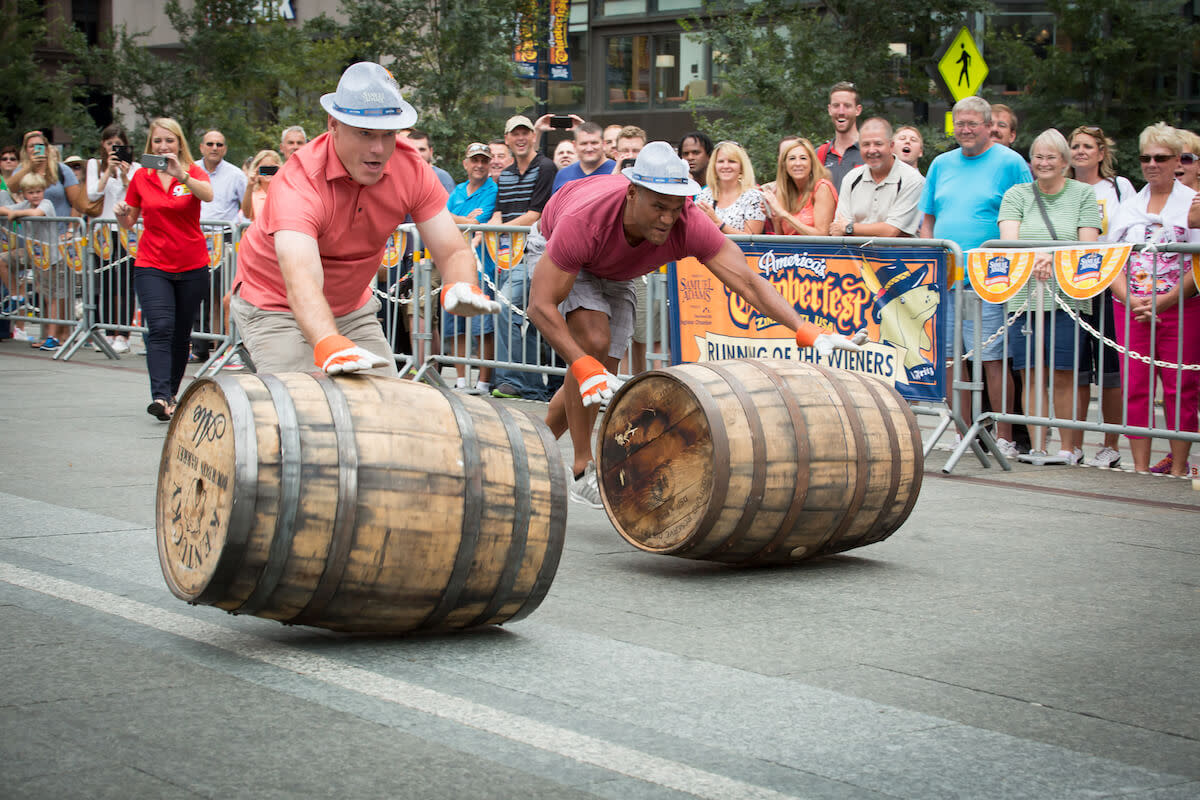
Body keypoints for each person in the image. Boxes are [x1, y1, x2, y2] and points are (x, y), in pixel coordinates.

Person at [522, 142, 863, 507]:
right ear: (632, 193)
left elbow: (747, 281)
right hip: (556, 245)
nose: (667, 219)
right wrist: (581, 360)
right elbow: (541, 306)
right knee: (593, 342)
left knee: (597, 378)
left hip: (615, 268)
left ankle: (526, 455)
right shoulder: (585, 220)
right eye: (658, 206)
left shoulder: (688, 222)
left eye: (674, 207)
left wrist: (805, 330)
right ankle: (581, 467)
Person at [228, 62, 496, 380]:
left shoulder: (410, 167)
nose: (378, 149)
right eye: (365, 133)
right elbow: (301, 279)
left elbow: (452, 250)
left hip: (352, 306)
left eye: (388, 134)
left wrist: (462, 284)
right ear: (334, 124)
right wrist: (328, 342)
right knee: (305, 403)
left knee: (383, 405)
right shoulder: (299, 179)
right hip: (275, 303)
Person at [919, 96, 1032, 459]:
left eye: (972, 123)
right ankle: (961, 430)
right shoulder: (940, 163)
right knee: (952, 358)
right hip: (948, 277)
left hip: (991, 278)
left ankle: (1004, 435)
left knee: (993, 357)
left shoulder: (1010, 162)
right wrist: (930, 261)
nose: (965, 130)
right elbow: (928, 219)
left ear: (988, 126)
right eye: (959, 123)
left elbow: (1028, 213)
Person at [998, 128, 1101, 463]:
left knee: (1064, 373)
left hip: (1067, 297)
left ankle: (1070, 448)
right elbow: (1008, 242)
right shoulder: (1016, 194)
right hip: (1024, 298)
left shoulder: (1084, 194)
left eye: (1050, 157)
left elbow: (1086, 246)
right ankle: (1039, 447)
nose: (1043, 163)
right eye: (1038, 157)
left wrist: (1049, 257)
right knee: (1030, 373)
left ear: (1065, 162)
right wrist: (1039, 256)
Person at [1107, 123, 1200, 476]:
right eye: (1145, 158)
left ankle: (1178, 467)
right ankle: (1141, 468)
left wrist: (1167, 300)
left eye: (1160, 158)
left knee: (1182, 387)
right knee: (1136, 386)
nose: (1152, 164)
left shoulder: (1191, 205)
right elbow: (1110, 263)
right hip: (1132, 308)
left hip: (1182, 306)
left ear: (1176, 160)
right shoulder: (1129, 206)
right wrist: (1131, 299)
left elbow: (1199, 263)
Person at [113, 117, 214, 420]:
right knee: (159, 328)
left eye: (169, 140)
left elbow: (207, 195)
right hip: (152, 263)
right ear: (150, 145)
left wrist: (180, 174)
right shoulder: (142, 176)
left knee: (181, 333)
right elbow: (129, 220)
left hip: (192, 264)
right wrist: (121, 215)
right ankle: (159, 395)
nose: (163, 146)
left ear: (179, 143)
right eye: (157, 141)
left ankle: (170, 394)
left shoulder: (192, 172)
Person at [1067, 124, 1136, 469]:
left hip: (1111, 284)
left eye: (1087, 146)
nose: (1080, 151)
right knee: (1077, 369)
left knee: (1111, 370)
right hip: (1073, 285)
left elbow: (1125, 232)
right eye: (1075, 145)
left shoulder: (1119, 188)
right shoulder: (1064, 187)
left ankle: (1110, 443)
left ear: (1101, 152)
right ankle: (1074, 442)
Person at [488, 114, 559, 401]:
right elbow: (498, 211)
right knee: (526, 317)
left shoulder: (545, 168)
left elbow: (536, 214)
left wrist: (497, 229)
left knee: (504, 307)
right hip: (508, 255)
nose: (519, 138)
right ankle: (530, 386)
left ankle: (512, 379)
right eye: (514, 133)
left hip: (535, 254)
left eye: (525, 133)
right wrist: (486, 230)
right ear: (506, 139)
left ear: (533, 136)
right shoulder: (504, 174)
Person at [443, 142, 499, 394]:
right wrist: (465, 219)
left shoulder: (492, 189)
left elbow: (480, 219)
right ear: (465, 163)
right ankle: (461, 381)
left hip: (482, 267)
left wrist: (462, 219)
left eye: (483, 161)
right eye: (474, 160)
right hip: (453, 265)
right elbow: (442, 217)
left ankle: (484, 383)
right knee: (455, 324)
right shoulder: (456, 190)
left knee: (481, 326)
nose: (479, 165)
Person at [193, 129, 246, 362]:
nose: (215, 148)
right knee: (197, 293)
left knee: (225, 295)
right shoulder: (190, 171)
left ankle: (227, 346)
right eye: (210, 143)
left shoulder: (235, 175)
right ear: (201, 147)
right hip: (196, 237)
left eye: (220, 144)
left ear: (225, 148)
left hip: (224, 239)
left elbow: (247, 207)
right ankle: (199, 347)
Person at [86, 123, 139, 354]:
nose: (113, 149)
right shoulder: (95, 165)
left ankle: (124, 334)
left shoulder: (136, 167)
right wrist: (108, 170)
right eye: (109, 144)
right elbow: (92, 194)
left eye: (118, 145)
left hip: (127, 231)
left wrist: (126, 176)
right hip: (104, 231)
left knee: (126, 285)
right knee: (107, 284)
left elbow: (135, 196)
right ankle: (108, 331)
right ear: (103, 145)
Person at [829, 118, 923, 238]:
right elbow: (838, 229)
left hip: (896, 256)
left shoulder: (912, 179)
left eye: (878, 144)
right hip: (855, 255)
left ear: (891, 146)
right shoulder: (851, 178)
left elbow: (891, 231)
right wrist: (846, 228)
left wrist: (850, 228)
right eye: (866, 144)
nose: (872, 150)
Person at [1, 172, 63, 350]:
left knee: (50, 297)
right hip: (32, 254)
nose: (35, 195)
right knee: (3, 261)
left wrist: (16, 213)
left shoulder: (46, 203)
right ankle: (17, 297)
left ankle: (52, 337)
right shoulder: (25, 203)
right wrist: (11, 211)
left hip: (50, 257)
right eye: (31, 192)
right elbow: (5, 209)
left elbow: (37, 212)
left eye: (38, 191)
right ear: (24, 193)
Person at [762, 138, 837, 236]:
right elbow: (782, 239)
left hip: (816, 250)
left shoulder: (822, 187)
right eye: (792, 158)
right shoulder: (786, 192)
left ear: (812, 163)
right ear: (784, 164)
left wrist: (783, 213)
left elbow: (822, 235)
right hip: (791, 250)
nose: (798, 163)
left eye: (803, 158)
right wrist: (776, 218)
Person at [694, 141, 765, 235]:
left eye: (732, 161)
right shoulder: (704, 195)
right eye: (720, 161)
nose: (725, 166)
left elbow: (751, 241)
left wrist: (718, 223)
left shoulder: (754, 197)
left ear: (741, 166)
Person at [816, 81, 864, 189]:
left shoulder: (871, 153)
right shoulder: (819, 155)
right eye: (836, 106)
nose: (841, 112)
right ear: (829, 109)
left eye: (847, 106)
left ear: (858, 110)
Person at [552, 122, 616, 193]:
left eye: (594, 143)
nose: (589, 149)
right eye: (584, 144)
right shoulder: (563, 175)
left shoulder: (617, 172)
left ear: (603, 144)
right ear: (574, 145)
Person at [240, 149, 282, 223]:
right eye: (264, 169)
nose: (268, 173)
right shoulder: (253, 195)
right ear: (256, 170)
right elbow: (246, 214)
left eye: (272, 169)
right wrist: (250, 185)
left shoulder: (284, 191)